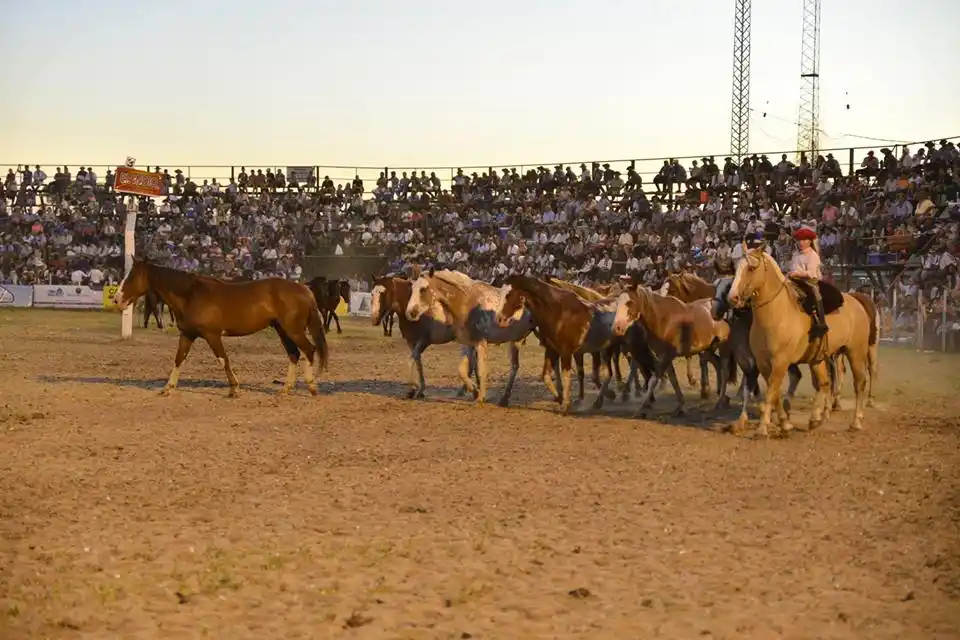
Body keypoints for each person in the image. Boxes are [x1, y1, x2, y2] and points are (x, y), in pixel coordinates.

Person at [788, 225, 827, 338]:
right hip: (794, 281)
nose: (801, 242)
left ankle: (821, 321)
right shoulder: (796, 255)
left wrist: (796, 274)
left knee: (815, 293)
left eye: (804, 240)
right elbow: (792, 269)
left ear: (810, 241)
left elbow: (810, 273)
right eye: (799, 240)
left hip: (810, 281)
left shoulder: (813, 255)